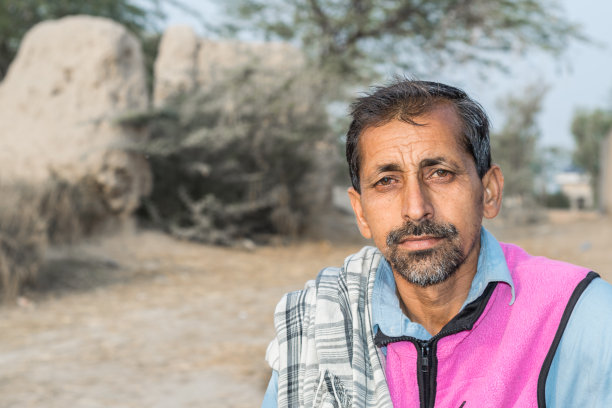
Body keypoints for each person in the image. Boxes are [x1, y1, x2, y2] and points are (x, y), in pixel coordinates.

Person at [261, 79, 612, 408]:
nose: (416, 209)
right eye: (387, 181)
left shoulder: (579, 316)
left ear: (489, 192)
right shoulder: (318, 329)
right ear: (361, 212)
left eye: (440, 173)